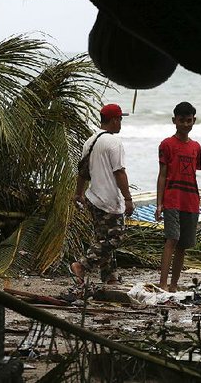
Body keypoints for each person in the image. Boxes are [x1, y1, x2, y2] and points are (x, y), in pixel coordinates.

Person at [70, 103, 134, 285]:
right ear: (114, 120)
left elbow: (82, 172)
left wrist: (78, 194)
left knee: (102, 238)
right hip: (108, 200)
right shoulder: (114, 142)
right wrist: (128, 198)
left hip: (93, 197)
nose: (121, 123)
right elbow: (119, 172)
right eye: (120, 119)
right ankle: (81, 265)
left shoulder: (90, 141)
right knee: (115, 237)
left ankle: (109, 277)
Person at [155, 101, 201, 292]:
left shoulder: (196, 147)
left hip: (191, 200)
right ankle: (163, 283)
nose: (185, 124)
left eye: (189, 121)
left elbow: (193, 173)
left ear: (194, 121)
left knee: (183, 244)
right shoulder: (166, 144)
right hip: (172, 198)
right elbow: (162, 174)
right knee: (172, 239)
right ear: (174, 120)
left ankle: (174, 285)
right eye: (181, 120)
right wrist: (159, 204)